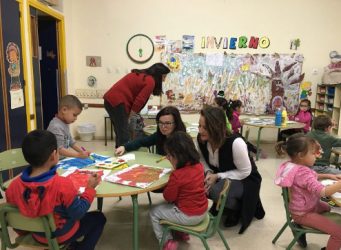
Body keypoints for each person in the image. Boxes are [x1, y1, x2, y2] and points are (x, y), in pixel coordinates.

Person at [5, 130, 106, 249]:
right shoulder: (62, 184)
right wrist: (90, 189)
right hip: (61, 235)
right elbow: (78, 213)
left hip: (36, 235)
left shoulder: (13, 187)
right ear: (54, 155)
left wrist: (29, 232)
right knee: (99, 218)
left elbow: (15, 217)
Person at [196, 106, 265, 234]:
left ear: (216, 127)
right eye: (199, 126)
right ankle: (222, 205)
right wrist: (208, 172)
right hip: (221, 174)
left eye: (205, 128)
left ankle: (235, 210)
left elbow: (245, 172)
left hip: (245, 178)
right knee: (197, 184)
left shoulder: (235, 142)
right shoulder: (201, 139)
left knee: (217, 190)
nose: (200, 130)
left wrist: (218, 176)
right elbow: (202, 160)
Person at [275, 133, 341, 250]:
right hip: (303, 213)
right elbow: (323, 192)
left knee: (327, 207)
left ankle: (299, 224)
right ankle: (300, 224)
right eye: (313, 153)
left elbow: (310, 177)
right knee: (339, 233)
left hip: (302, 207)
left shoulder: (292, 165)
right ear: (300, 155)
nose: (316, 156)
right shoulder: (302, 172)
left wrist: (329, 176)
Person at [149, 131, 208, 250]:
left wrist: (170, 183)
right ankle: (182, 232)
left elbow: (168, 197)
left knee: (154, 212)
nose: (168, 158)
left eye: (169, 155)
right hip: (203, 211)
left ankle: (167, 242)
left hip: (188, 216)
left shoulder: (177, 175)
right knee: (177, 202)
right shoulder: (199, 166)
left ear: (178, 156)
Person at [103, 63, 170, 147]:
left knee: (120, 132)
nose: (163, 80)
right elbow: (140, 101)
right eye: (163, 77)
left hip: (110, 100)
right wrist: (130, 116)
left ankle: (119, 152)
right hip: (118, 102)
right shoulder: (150, 80)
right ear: (158, 75)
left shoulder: (140, 74)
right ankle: (123, 156)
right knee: (124, 134)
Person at [115, 106, 186, 156]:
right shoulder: (159, 135)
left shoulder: (182, 141)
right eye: (160, 123)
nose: (163, 127)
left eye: (167, 123)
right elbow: (141, 141)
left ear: (176, 123)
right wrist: (124, 147)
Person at [47, 94, 89, 159]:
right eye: (74, 115)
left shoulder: (64, 124)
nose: (76, 118)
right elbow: (59, 150)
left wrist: (83, 151)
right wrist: (78, 155)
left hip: (61, 159)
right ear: (64, 110)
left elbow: (71, 142)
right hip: (53, 161)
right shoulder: (56, 127)